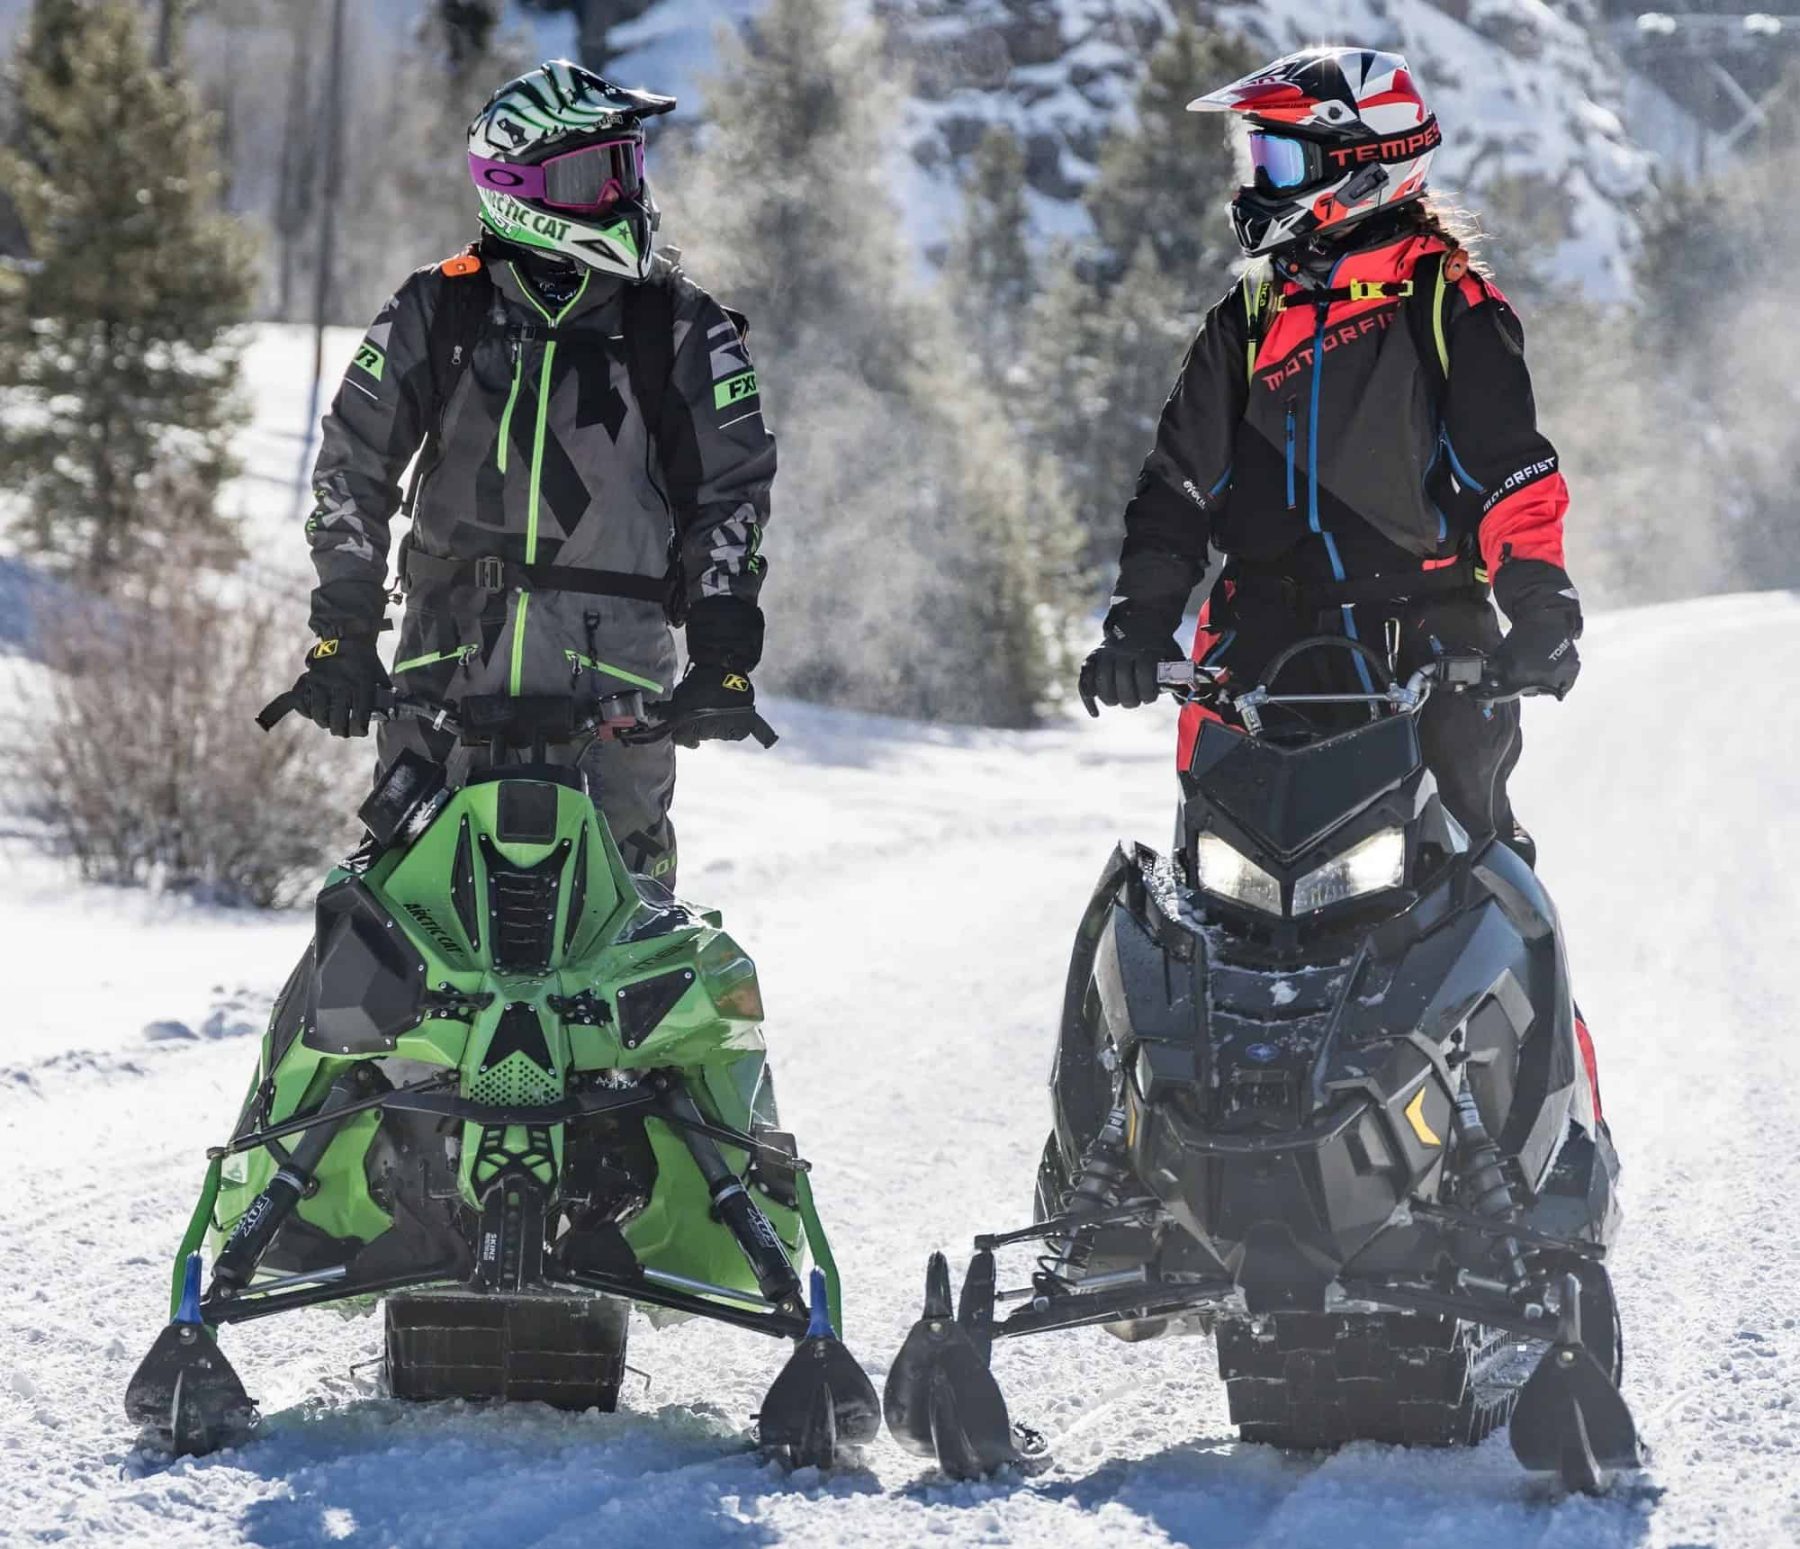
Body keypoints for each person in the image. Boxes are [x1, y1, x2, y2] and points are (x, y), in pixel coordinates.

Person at [1079, 47, 1580, 868]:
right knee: (1214, 891)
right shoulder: (1246, 315)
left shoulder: (1446, 300)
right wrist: (1136, 626)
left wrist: (1543, 608)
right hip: (1256, 656)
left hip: (1428, 653)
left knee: (1477, 869)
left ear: (1361, 166)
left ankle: (1546, 1001)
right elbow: (1174, 490)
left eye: (1277, 158)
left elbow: (1513, 476)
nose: (1256, 182)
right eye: (1257, 158)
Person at [293, 60, 775, 886]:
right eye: (595, 175)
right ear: (514, 185)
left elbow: (730, 490)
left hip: (616, 701)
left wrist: (724, 645)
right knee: (401, 931)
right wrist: (342, 630)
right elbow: (351, 468)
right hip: (444, 687)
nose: (622, 195)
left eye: (627, 168)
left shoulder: (678, 321)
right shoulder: (438, 305)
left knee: (622, 941)